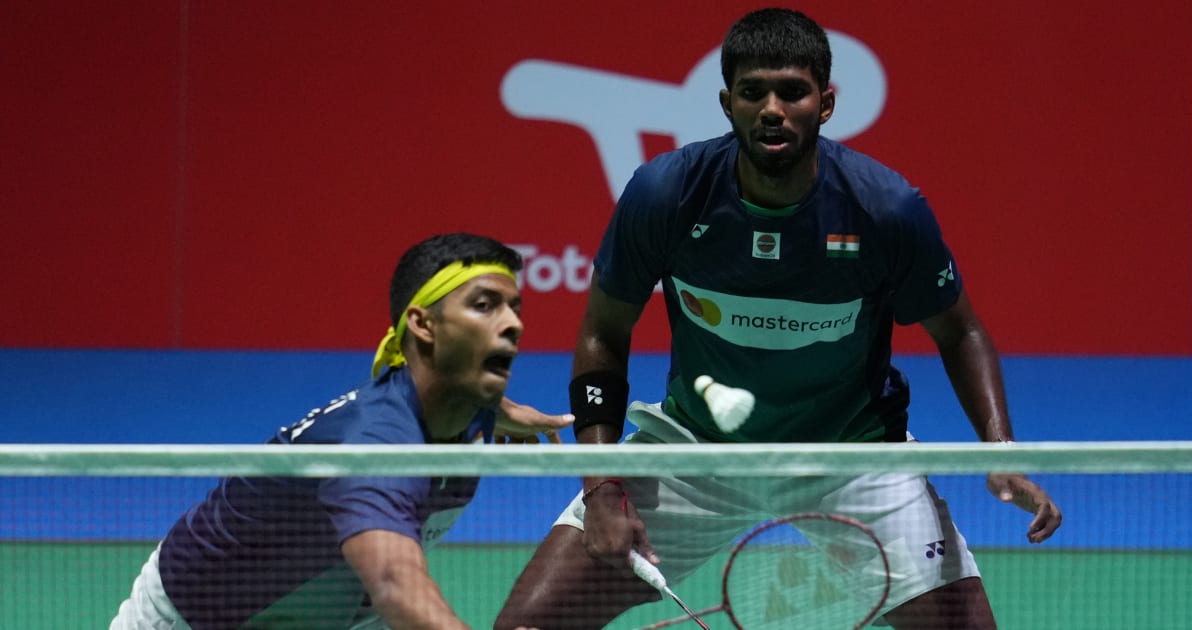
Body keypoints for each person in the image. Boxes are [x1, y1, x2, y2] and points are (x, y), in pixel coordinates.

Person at [493, 8, 1062, 630]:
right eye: (752, 92)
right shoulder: (667, 194)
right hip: (697, 453)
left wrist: (1001, 450)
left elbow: (961, 331)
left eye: (792, 91)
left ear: (826, 104)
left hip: (851, 458)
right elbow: (603, 334)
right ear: (727, 103)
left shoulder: (885, 209)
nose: (772, 109)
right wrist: (603, 488)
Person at [111, 232, 568, 630]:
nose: (514, 323)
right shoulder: (373, 450)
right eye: (485, 306)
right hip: (203, 619)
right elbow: (394, 583)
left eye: (514, 308)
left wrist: (506, 411)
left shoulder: (462, 400)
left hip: (326, 611)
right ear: (423, 324)